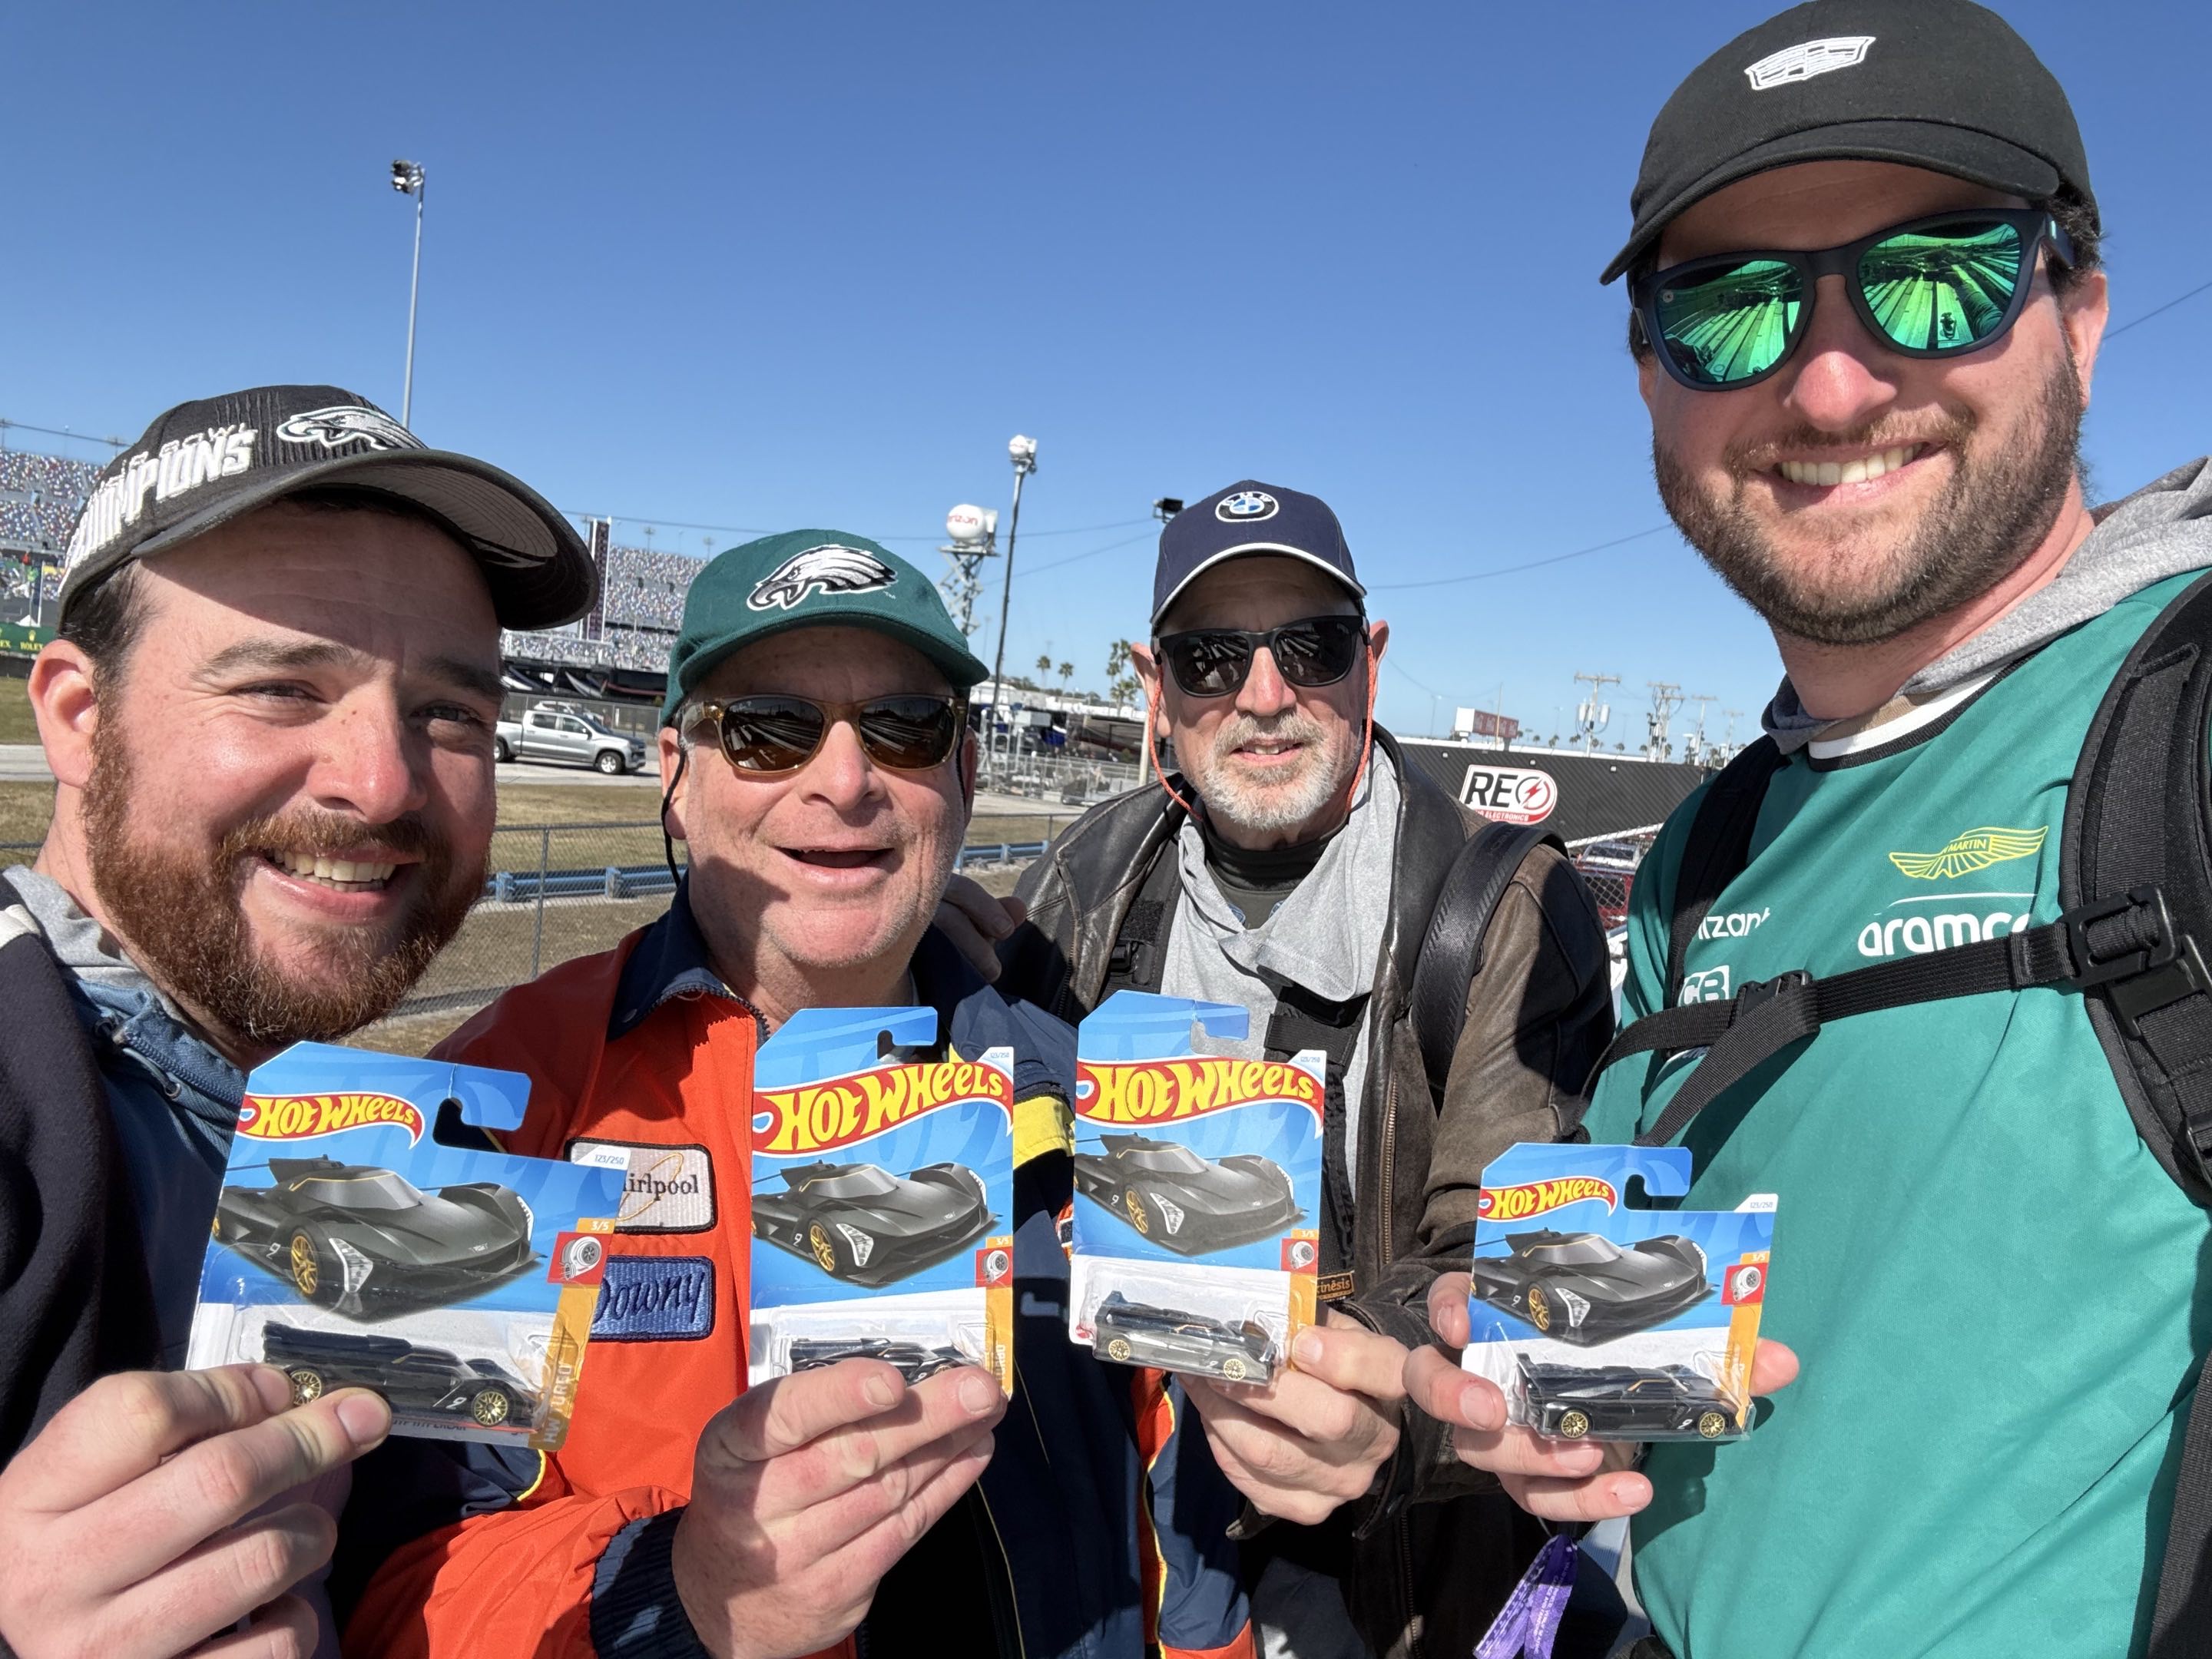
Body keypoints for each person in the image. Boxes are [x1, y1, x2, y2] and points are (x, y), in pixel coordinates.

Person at [1407, 1, 2212, 1653]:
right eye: (1731, 305)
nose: (1833, 380)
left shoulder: (2184, 725)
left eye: (1942, 272)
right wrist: (1555, 1381)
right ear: (1649, 375)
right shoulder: (1705, 847)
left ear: (2082, 308)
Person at [343, 532, 1254, 1659]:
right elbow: (384, 1589)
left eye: (903, 727)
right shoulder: (483, 1102)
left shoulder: (1103, 1094)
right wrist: (681, 1588)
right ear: (675, 774)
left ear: (962, 772)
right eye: (769, 730)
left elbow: (1191, 1546)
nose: (845, 779)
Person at [965, 481, 1614, 1659]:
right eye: (1211, 658)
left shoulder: (1502, 900)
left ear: (1368, 658)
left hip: (1396, 1576)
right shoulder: (1093, 872)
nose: (1264, 697)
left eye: (1307, 646)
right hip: (1137, 1566)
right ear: (1154, 688)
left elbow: (1515, 1255)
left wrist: (1349, 1391)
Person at [0, 385, 597, 1657]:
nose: (381, 781)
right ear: (77, 718)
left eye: (452, 714)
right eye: (280, 686)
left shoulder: (342, 1133)